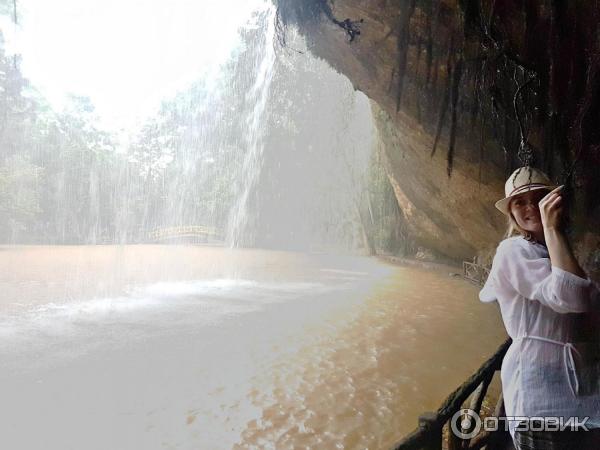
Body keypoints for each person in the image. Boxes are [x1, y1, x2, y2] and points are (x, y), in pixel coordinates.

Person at [479, 166, 600, 449]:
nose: (530, 206)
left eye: (538, 197)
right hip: (539, 394)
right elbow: (571, 298)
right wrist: (551, 227)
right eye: (519, 201)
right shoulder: (513, 251)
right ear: (511, 213)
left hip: (577, 386)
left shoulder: (552, 250)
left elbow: (589, 304)